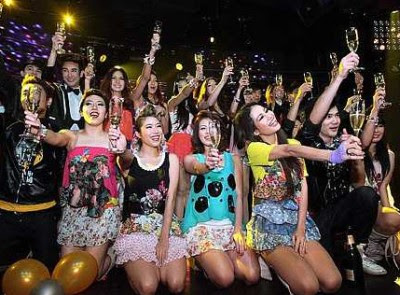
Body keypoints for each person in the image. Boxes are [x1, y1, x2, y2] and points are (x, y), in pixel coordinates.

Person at [234, 102, 364, 294]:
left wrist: (301, 229)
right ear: (254, 130)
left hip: (297, 221)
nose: (269, 115)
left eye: (267, 111)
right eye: (261, 117)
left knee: (333, 282)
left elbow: (302, 187)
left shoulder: (294, 143)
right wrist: (334, 155)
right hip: (269, 228)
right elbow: (288, 151)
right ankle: (274, 263)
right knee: (308, 287)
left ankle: (290, 265)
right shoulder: (255, 149)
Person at [296, 52, 385, 275]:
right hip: (316, 215)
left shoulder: (342, 140)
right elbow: (311, 121)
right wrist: (339, 77)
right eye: (328, 116)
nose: (334, 120)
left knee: (366, 194)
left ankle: (360, 250)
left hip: (341, 206)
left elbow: (359, 179)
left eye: (336, 115)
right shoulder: (309, 141)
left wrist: (355, 159)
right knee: (328, 275)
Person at [24, 88, 123, 279]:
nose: (94, 107)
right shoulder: (71, 135)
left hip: (103, 211)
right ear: (81, 110)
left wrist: (123, 149)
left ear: (107, 112)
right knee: (65, 275)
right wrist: (40, 130)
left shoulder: (113, 138)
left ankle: (109, 259)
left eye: (100, 104)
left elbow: (126, 160)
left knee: (89, 275)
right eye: (89, 103)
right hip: (73, 209)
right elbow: (55, 138)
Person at [114, 105, 188, 294]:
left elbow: (171, 198)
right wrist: (121, 148)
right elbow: (124, 155)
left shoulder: (170, 159)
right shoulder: (131, 160)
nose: (155, 131)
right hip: (136, 227)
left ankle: (153, 268)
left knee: (177, 285)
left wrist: (164, 238)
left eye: (157, 126)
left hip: (165, 225)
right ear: (137, 134)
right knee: (148, 287)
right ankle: (134, 268)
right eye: (148, 127)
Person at [182, 111, 260, 288]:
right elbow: (197, 168)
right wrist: (207, 165)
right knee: (225, 279)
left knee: (252, 276)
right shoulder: (192, 158)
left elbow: (239, 194)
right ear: (196, 134)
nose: (208, 131)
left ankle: (220, 258)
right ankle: (201, 262)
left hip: (229, 228)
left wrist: (238, 230)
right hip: (201, 228)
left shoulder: (233, 159)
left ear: (221, 131)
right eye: (203, 128)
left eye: (213, 126)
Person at [0, 75, 59, 270]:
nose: (30, 97)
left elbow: (59, 140)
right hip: (6, 211)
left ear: (48, 101)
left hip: (42, 213)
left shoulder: (55, 129)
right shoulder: (9, 125)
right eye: (26, 92)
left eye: (36, 93)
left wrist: (40, 131)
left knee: (45, 271)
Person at [167, 69, 200, 218]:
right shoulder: (172, 103)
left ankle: (187, 223)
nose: (182, 88)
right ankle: (178, 223)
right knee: (180, 189)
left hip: (191, 146)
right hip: (177, 145)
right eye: (179, 86)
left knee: (188, 188)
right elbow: (184, 94)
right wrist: (193, 82)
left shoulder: (194, 107)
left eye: (184, 85)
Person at [100, 66, 134, 144]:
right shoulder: (102, 103)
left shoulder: (129, 103)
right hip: (105, 145)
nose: (117, 81)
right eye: (114, 78)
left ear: (125, 82)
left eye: (121, 79)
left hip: (126, 148)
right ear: (109, 81)